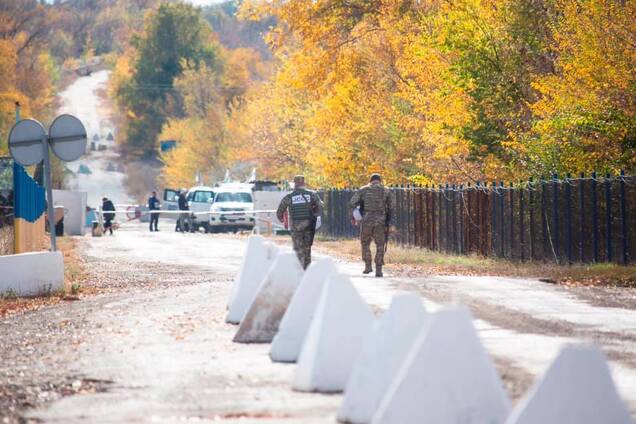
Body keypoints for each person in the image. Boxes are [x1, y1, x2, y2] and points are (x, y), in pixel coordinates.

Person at [349, 173, 393, 277]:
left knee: (365, 243)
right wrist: (389, 220)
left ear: (370, 180)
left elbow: (352, 203)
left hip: (366, 221)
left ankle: (368, 265)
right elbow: (391, 206)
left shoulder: (363, 189)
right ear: (380, 180)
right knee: (380, 244)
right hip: (380, 222)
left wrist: (353, 217)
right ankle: (379, 269)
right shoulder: (386, 190)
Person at [276, 175, 323, 269]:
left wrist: (280, 218)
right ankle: (307, 267)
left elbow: (281, 209)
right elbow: (320, 206)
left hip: (295, 225)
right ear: (303, 183)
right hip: (309, 224)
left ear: (295, 184)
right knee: (307, 247)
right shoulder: (312, 194)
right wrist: (315, 214)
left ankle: (298, 267)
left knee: (297, 247)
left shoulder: (290, 196)